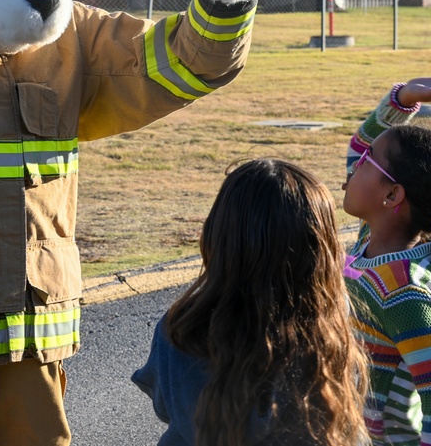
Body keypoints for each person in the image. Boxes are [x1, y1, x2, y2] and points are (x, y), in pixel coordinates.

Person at [132, 158, 370, 446]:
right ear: (322, 248)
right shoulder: (331, 323)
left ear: (218, 237)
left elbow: (164, 404)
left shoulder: (183, 326)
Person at [341, 69, 431, 446]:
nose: (354, 165)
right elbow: (360, 145)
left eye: (368, 161)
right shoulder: (374, 237)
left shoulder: (404, 293)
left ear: (392, 197)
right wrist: (401, 99)